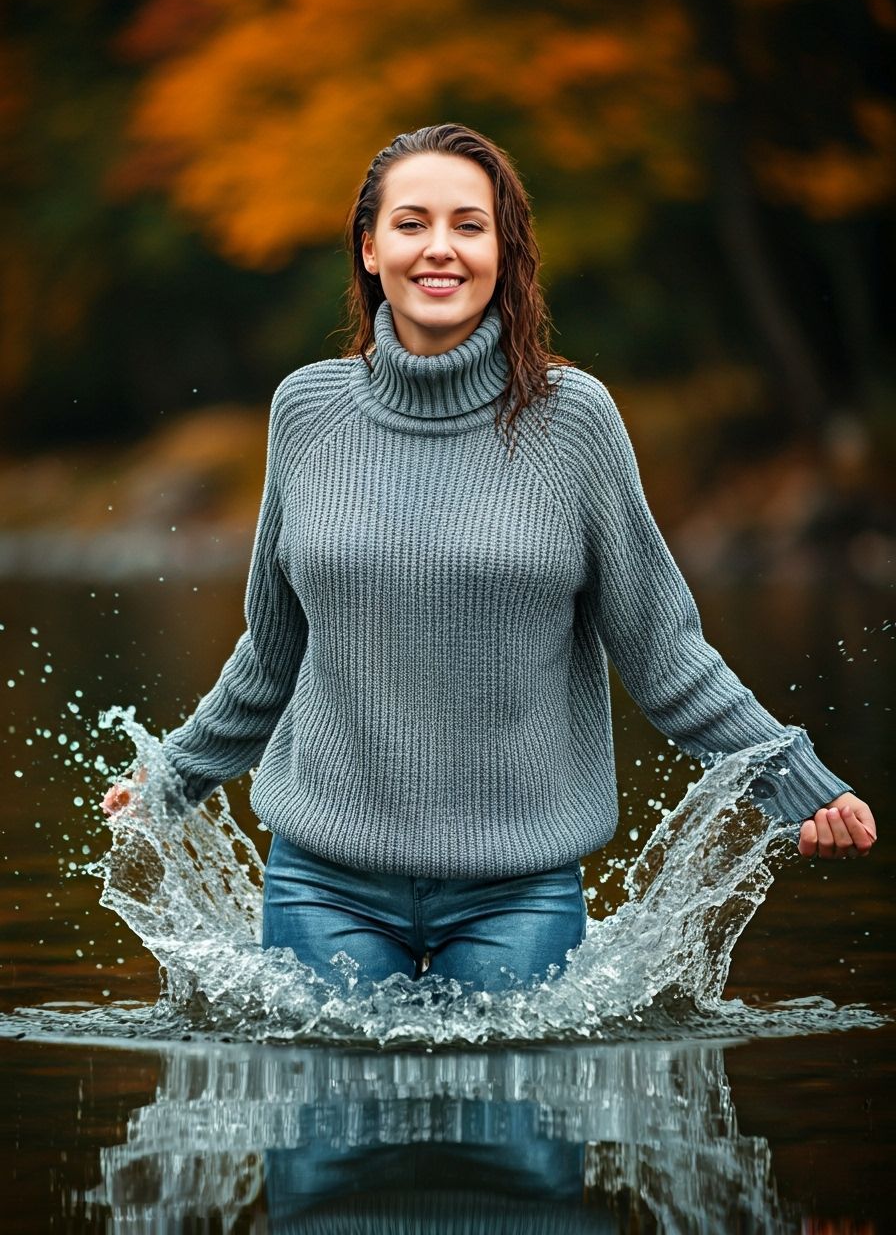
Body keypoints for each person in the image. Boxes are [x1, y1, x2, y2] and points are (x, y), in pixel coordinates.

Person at [103, 123, 876, 994]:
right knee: (327, 1120)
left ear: (504, 252)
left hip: (519, 892)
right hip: (321, 880)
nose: (441, 249)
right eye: (411, 223)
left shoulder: (573, 419)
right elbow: (272, 649)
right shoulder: (305, 412)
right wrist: (172, 778)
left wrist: (788, 775)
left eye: (470, 226)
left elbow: (663, 648)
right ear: (369, 247)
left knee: (513, 1124)